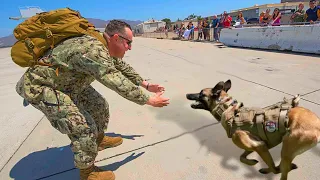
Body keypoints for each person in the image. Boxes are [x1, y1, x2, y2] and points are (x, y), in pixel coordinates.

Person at [15, 20, 170, 180]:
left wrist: (146, 84)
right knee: (82, 127)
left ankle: (98, 140)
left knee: (99, 105)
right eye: (128, 43)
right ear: (116, 38)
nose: (129, 48)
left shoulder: (103, 43)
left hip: (67, 82)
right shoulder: (92, 50)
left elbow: (120, 66)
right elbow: (115, 80)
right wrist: (148, 100)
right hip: (42, 87)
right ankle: (87, 172)